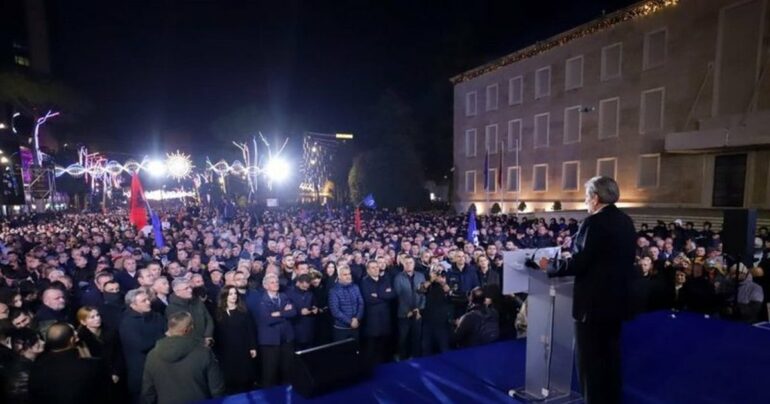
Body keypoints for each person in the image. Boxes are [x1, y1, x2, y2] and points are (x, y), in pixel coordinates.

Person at [541, 176, 636, 404]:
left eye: (586, 197)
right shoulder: (626, 221)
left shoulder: (593, 223)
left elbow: (579, 263)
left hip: (592, 307)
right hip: (616, 302)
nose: (586, 201)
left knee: (590, 363)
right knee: (610, 357)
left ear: (595, 198)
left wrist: (550, 266)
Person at [141, 311, 225, 404]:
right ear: (188, 329)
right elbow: (217, 389)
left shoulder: (152, 356)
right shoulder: (204, 353)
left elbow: (148, 392)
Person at [28, 323, 108, 404]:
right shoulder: (93, 366)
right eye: (74, 332)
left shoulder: (36, 369)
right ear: (71, 340)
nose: (77, 333)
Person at [119, 289, 167, 403]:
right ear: (132, 305)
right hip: (141, 370)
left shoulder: (157, 316)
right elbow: (141, 345)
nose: (148, 302)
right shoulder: (127, 322)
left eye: (148, 299)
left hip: (161, 365)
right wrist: (161, 337)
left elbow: (168, 333)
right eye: (143, 301)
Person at [255, 273, 296, 387]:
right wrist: (284, 314)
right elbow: (267, 319)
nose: (276, 284)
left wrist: (278, 313)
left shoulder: (284, 296)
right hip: (270, 341)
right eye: (272, 282)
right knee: (270, 373)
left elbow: (293, 312)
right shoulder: (261, 300)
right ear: (266, 286)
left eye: (277, 282)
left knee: (287, 370)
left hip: (286, 339)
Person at [214, 286, 258, 393]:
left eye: (235, 293)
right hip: (226, 350)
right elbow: (216, 333)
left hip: (242, 347)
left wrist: (253, 347)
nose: (234, 296)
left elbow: (250, 330)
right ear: (225, 296)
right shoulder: (218, 312)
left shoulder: (243, 311)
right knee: (230, 377)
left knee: (244, 376)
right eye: (230, 294)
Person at [360, 260, 396, 365]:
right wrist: (384, 294)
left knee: (384, 343)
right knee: (372, 344)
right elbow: (369, 299)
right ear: (368, 270)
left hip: (385, 317)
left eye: (377, 267)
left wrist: (378, 294)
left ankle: (385, 364)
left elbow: (392, 294)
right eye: (373, 267)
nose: (376, 269)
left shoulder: (385, 279)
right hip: (372, 319)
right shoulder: (364, 281)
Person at [393, 256, 426, 359]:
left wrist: (419, 308)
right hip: (404, 314)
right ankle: (403, 359)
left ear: (414, 264)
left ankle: (416, 359)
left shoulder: (421, 276)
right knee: (403, 338)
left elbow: (423, 294)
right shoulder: (398, 277)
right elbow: (398, 297)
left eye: (410, 262)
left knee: (417, 337)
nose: (408, 264)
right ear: (403, 264)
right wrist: (408, 311)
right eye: (406, 263)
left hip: (418, 313)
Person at [166, 279, 214, 346]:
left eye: (190, 287)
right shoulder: (172, 309)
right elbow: (179, 330)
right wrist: (201, 342)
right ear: (177, 292)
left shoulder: (197, 301)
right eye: (186, 288)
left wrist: (208, 335)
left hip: (206, 342)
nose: (190, 290)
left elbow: (208, 318)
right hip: (189, 345)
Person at [3, 328, 44, 404]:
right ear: (24, 347)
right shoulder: (25, 372)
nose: (42, 342)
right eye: (37, 341)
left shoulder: (24, 364)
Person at [329, 265, 364, 343]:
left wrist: (357, 318)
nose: (348, 276)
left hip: (355, 326)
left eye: (349, 274)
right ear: (339, 276)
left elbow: (361, 304)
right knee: (342, 353)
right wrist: (350, 322)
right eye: (345, 275)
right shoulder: (334, 291)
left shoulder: (355, 287)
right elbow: (335, 311)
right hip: (341, 329)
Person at [285, 274, 317, 350]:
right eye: (304, 287)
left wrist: (315, 309)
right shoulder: (289, 293)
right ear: (298, 283)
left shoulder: (310, 293)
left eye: (307, 287)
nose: (305, 289)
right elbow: (287, 310)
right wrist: (300, 312)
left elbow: (314, 305)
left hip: (309, 328)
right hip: (296, 328)